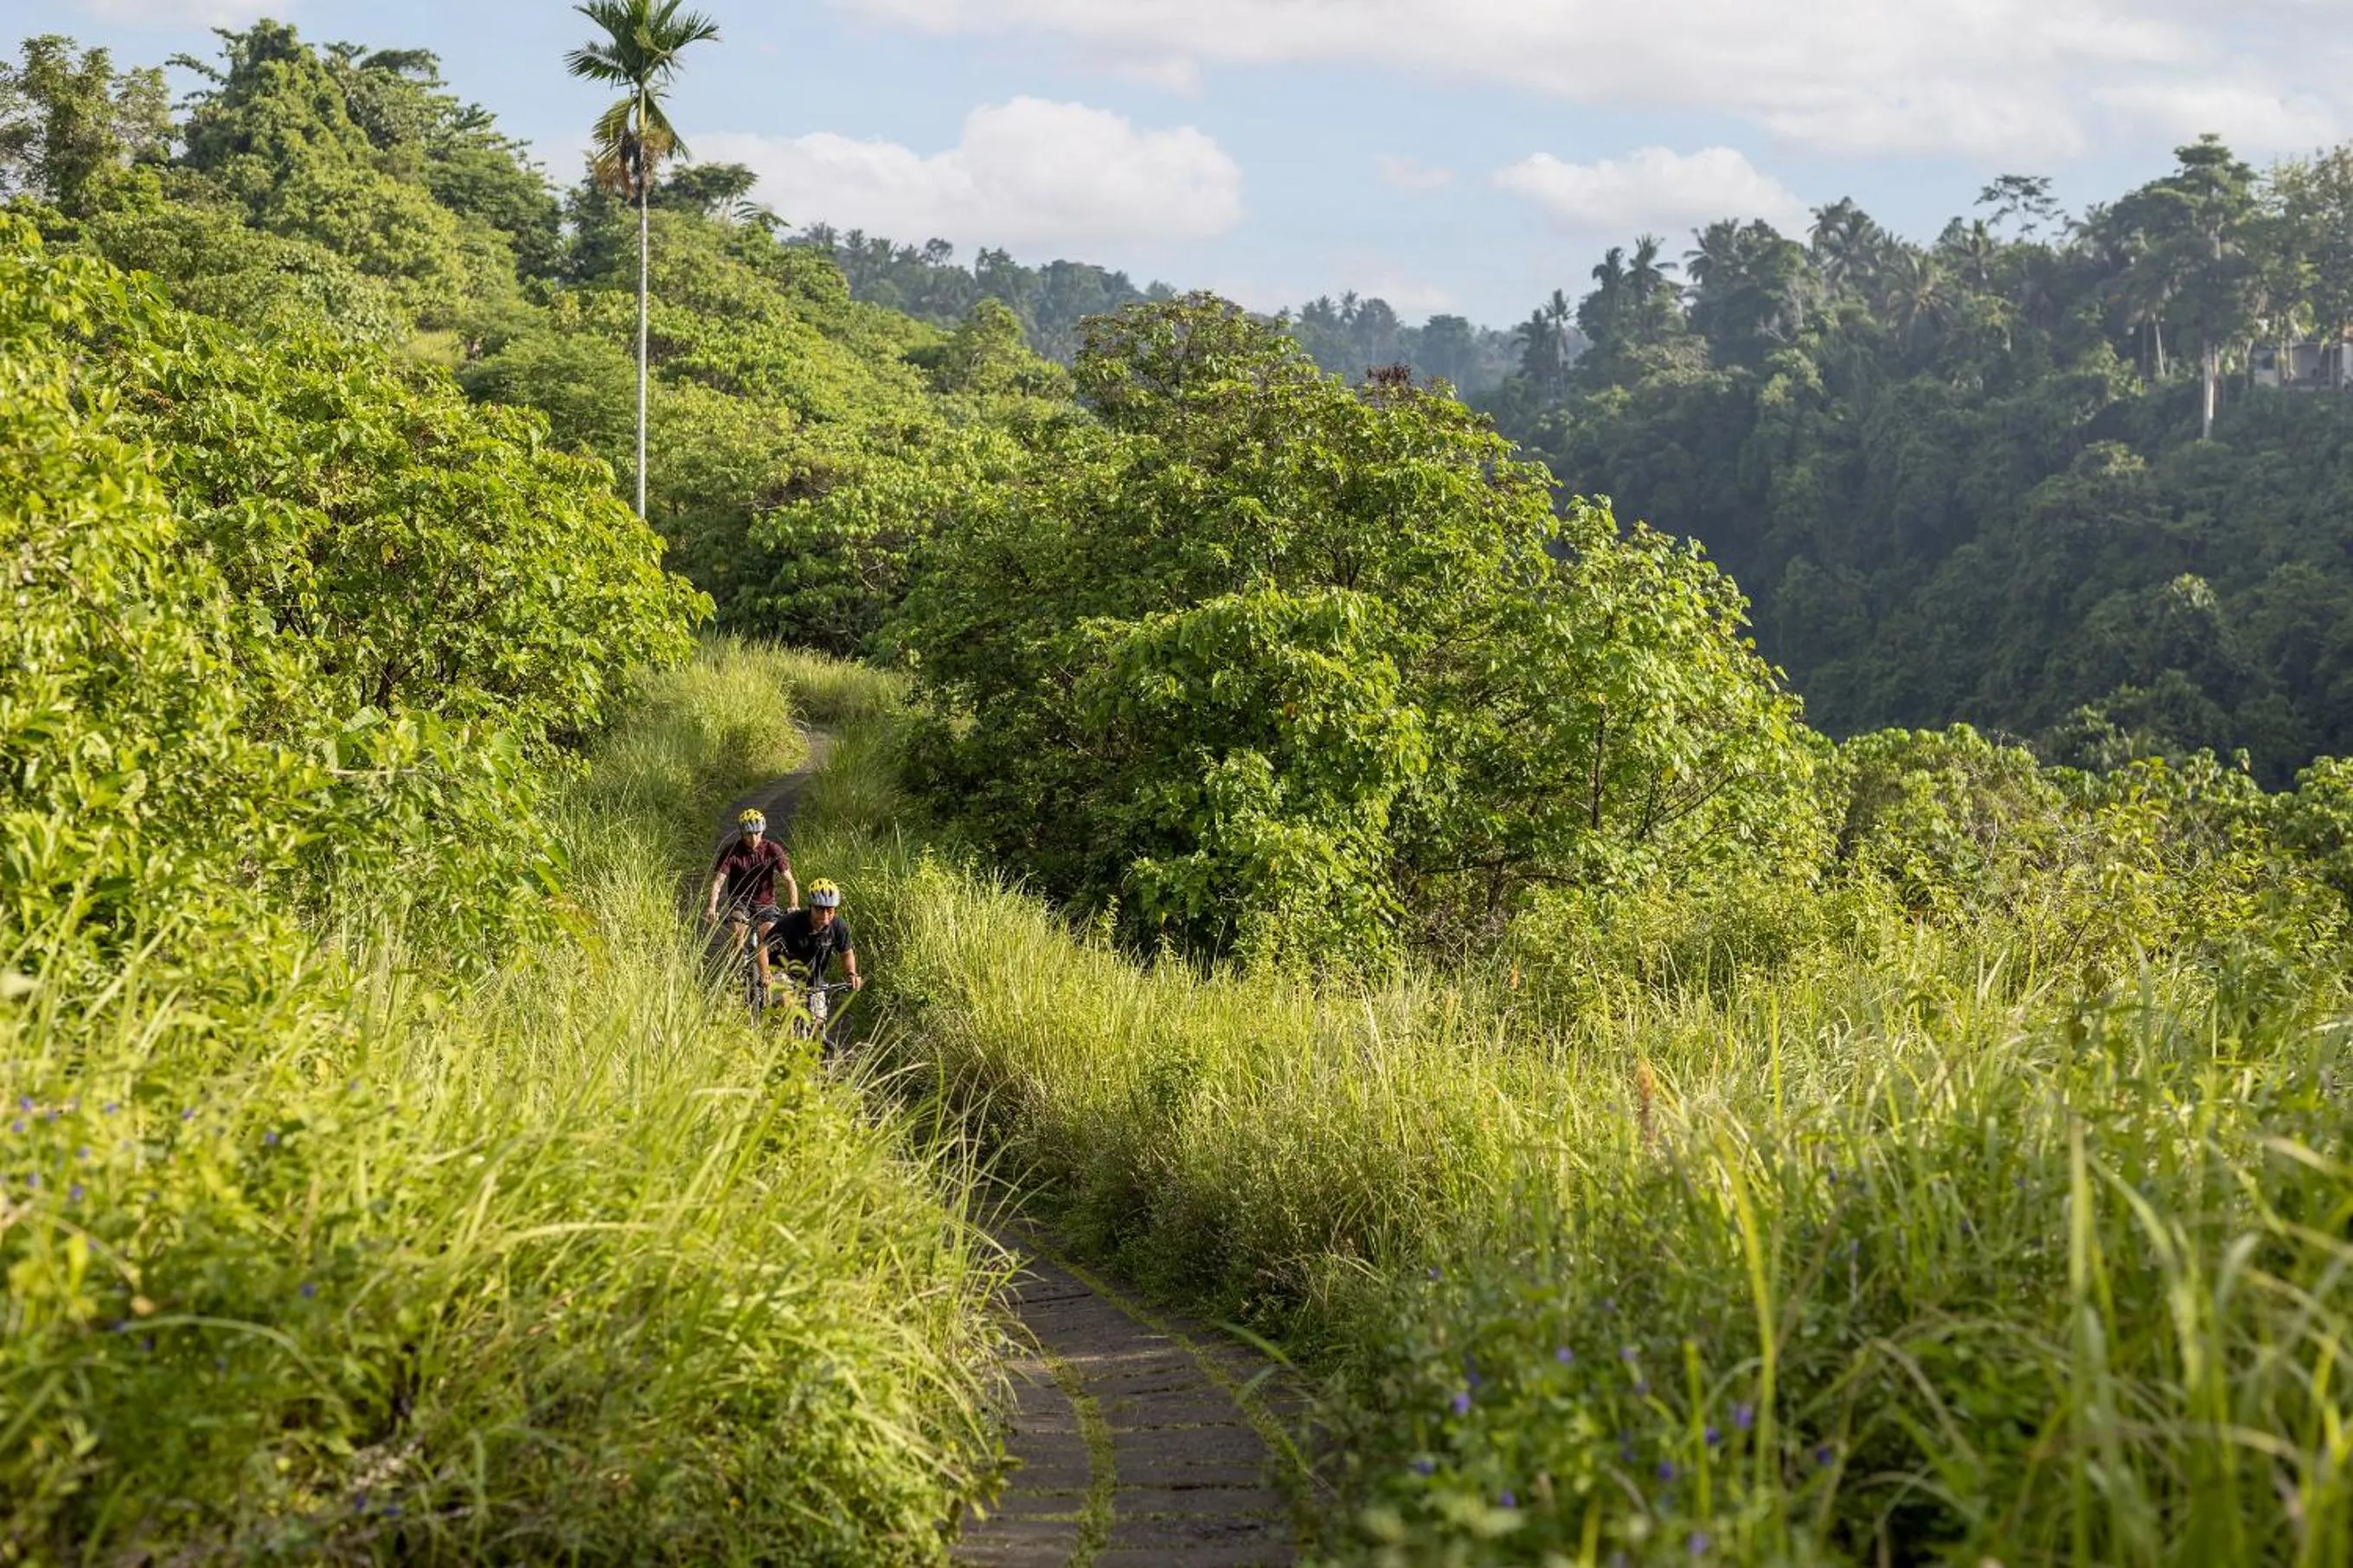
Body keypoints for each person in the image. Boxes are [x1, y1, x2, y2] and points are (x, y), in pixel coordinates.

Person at [706, 807, 797, 1002]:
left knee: (769, 937)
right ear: (742, 833)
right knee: (739, 935)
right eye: (749, 834)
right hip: (741, 903)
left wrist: (794, 904)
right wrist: (712, 907)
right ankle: (735, 974)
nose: (753, 838)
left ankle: (772, 978)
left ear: (762, 831)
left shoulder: (773, 849)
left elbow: (789, 881)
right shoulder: (731, 851)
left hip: (767, 905)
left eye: (757, 833)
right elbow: (718, 882)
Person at [766, 879, 861, 1029]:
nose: (825, 915)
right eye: (820, 909)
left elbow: (846, 953)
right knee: (785, 1008)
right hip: (784, 974)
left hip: (814, 981)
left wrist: (851, 974)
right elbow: (763, 948)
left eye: (830, 910)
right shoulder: (791, 922)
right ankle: (775, 1045)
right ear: (810, 907)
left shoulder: (838, 926)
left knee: (818, 1024)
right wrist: (765, 974)